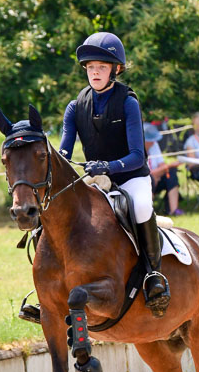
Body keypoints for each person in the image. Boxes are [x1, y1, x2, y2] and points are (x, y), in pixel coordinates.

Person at [58, 32, 170, 317]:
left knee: (142, 206)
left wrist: (108, 166)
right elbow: (65, 153)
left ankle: (152, 275)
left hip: (130, 177)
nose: (95, 72)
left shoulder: (128, 102)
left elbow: (137, 156)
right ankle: (51, 283)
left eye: (102, 67)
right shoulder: (75, 107)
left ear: (115, 69)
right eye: (91, 67)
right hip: (96, 182)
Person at [143, 122, 183, 216]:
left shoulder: (154, 145)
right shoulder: (136, 150)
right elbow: (145, 173)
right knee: (150, 179)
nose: (153, 142)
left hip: (158, 178)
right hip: (145, 181)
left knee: (171, 174)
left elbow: (162, 165)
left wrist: (164, 169)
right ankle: (147, 213)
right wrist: (165, 168)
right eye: (150, 140)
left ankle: (174, 210)